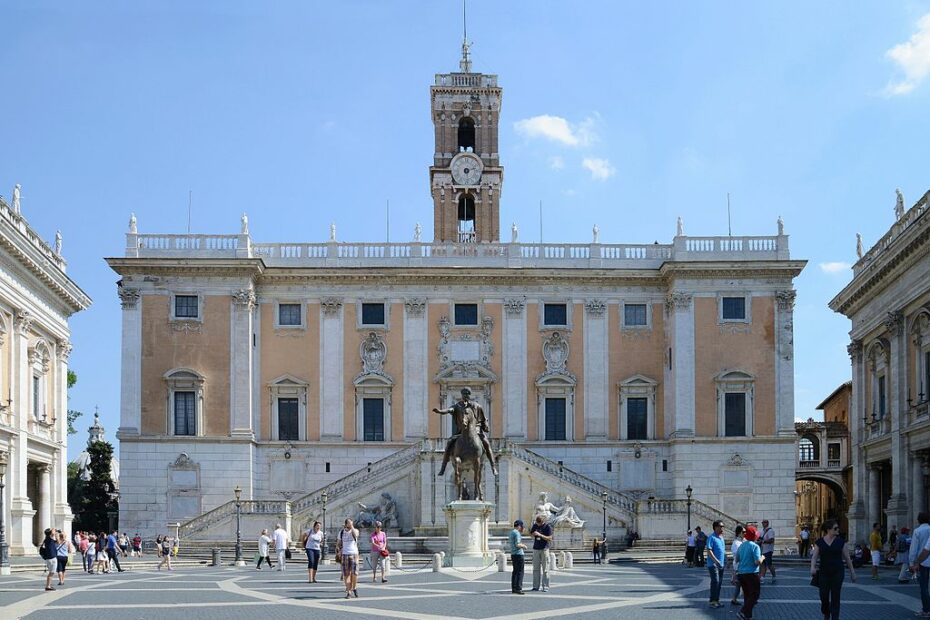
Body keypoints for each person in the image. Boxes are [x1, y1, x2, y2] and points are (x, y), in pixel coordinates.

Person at [432, 387, 497, 477]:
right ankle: (443, 467)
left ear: (470, 395)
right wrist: (439, 411)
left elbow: (483, 418)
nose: (465, 395)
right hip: (461, 431)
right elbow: (448, 410)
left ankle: (493, 467)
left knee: (486, 443)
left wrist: (485, 425)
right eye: (464, 394)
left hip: (477, 430)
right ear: (461, 395)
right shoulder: (457, 406)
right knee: (449, 443)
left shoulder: (477, 406)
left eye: (467, 394)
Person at [811, 519, 856, 620]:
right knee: (823, 596)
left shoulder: (841, 542)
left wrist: (852, 572)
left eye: (838, 528)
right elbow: (814, 557)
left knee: (836, 596)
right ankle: (826, 612)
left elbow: (847, 558)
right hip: (824, 573)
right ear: (828, 529)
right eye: (835, 528)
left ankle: (835, 617)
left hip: (837, 572)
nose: (838, 530)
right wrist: (812, 567)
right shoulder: (820, 542)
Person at [734, 525, 763, 620]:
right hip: (751, 574)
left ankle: (748, 616)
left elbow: (737, 559)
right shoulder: (755, 546)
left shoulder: (742, 545)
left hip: (741, 574)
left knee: (747, 595)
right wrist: (762, 558)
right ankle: (742, 612)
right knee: (755, 594)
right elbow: (757, 562)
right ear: (755, 536)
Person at [909, 512, 930, 617]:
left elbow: (914, 548)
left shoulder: (917, 531)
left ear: (918, 520)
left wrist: (912, 562)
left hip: (922, 562)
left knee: (924, 586)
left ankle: (926, 609)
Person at [705, 520, 726, 608]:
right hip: (713, 565)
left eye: (723, 526)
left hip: (721, 564)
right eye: (721, 526)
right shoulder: (711, 537)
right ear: (715, 527)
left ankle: (717, 600)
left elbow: (722, 551)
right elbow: (709, 550)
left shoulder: (721, 538)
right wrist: (716, 561)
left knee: (719, 582)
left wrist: (727, 560)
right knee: (715, 582)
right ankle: (712, 601)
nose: (722, 528)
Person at [338, 518, 360, 599]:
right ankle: (349, 591)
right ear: (346, 524)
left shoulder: (355, 530)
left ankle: (354, 587)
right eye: (349, 523)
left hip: (354, 554)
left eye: (351, 523)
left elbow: (356, 535)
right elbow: (339, 543)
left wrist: (352, 527)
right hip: (345, 554)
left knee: (355, 573)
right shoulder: (341, 532)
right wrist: (339, 550)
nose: (350, 524)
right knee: (346, 574)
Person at [530, 514, 553, 592]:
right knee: (535, 569)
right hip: (536, 548)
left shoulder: (547, 527)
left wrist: (540, 535)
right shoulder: (535, 525)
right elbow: (531, 534)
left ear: (543, 522)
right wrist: (533, 534)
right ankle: (535, 586)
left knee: (545, 569)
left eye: (539, 523)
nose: (537, 524)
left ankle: (545, 586)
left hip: (544, 549)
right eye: (537, 522)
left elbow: (550, 538)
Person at [510, 519, 527, 594]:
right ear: (519, 526)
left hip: (513, 554)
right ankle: (519, 588)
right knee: (520, 572)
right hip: (519, 554)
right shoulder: (517, 533)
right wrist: (524, 546)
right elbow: (517, 544)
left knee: (515, 572)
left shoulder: (511, 532)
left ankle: (514, 588)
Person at [729, 525, 745, 607]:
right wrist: (734, 573)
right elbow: (737, 556)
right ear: (739, 533)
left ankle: (734, 599)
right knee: (742, 584)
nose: (745, 534)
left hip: (743, 566)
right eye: (743, 532)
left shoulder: (743, 541)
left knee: (739, 585)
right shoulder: (736, 543)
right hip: (739, 567)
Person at [758, 519, 776, 583]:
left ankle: (774, 576)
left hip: (768, 550)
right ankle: (762, 578)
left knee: (769, 564)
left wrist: (763, 541)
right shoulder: (762, 531)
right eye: (762, 522)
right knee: (762, 564)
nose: (763, 524)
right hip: (763, 551)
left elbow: (771, 540)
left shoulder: (770, 531)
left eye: (765, 522)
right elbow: (760, 538)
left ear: (767, 523)